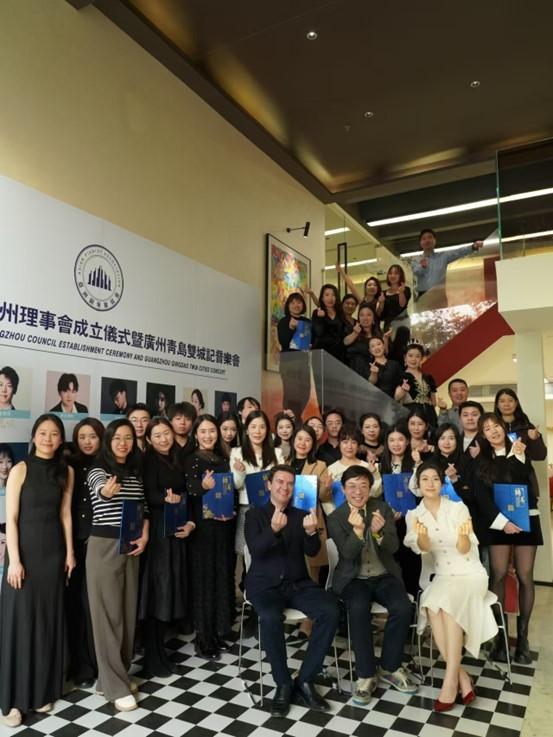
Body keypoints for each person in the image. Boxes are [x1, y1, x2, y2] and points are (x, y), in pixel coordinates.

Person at [244, 465, 339, 717]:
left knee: (330, 610)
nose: (284, 487)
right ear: (269, 485)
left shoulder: (301, 514)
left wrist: (311, 532)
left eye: (289, 483)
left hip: (297, 584)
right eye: (279, 482)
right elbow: (256, 551)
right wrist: (273, 530)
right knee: (270, 617)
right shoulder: (255, 515)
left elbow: (311, 552)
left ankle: (305, 680)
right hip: (264, 585)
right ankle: (283, 683)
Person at [0, 414, 75, 728]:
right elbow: (12, 518)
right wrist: (15, 561)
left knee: (47, 622)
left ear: (60, 439)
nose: (48, 438)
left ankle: (43, 690)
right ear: (33, 436)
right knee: (20, 624)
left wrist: (70, 552)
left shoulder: (66, 471)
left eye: (54, 433)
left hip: (53, 555)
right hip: (25, 555)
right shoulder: (21, 469)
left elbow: (65, 514)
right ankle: (12, 702)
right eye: (42, 433)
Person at [405, 461, 498, 712]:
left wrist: (463, 536)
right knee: (432, 607)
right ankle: (462, 677)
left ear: (442, 482)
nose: (430, 483)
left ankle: (449, 683)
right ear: (418, 484)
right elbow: (422, 548)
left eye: (435, 478)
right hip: (443, 576)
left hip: (469, 573)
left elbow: (465, 549)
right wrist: (422, 536)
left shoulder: (457, 508)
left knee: (445, 606)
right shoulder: (413, 515)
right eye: (425, 479)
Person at [327, 465, 416, 705]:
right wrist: (358, 532)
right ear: (343, 490)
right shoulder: (335, 517)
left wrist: (379, 534)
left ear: (370, 488)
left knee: (403, 608)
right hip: (353, 578)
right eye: (352, 486)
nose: (358, 492)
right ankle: (365, 675)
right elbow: (347, 554)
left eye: (363, 486)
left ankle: (390, 667)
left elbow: (394, 548)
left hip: (383, 575)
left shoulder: (382, 508)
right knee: (358, 608)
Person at [86, 419, 149, 712]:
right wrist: (106, 493)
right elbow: (101, 490)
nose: (123, 443)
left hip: (131, 545)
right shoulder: (98, 470)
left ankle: (113, 676)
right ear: (108, 441)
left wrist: (145, 535)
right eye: (117, 438)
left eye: (128, 438)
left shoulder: (134, 473)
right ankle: (114, 686)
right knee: (107, 616)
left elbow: (144, 508)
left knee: (125, 613)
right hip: (104, 547)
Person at [474, 412, 543, 665]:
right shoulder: (481, 461)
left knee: (525, 575)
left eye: (496, 426)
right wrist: (503, 523)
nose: (493, 431)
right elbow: (481, 497)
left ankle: (522, 640)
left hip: (526, 519)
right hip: (498, 523)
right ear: (483, 435)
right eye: (487, 429)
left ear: (504, 427)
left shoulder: (519, 451)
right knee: (499, 574)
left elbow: (525, 485)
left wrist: (520, 456)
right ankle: (501, 639)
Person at [140, 418, 195, 676]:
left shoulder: (177, 458)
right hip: (158, 533)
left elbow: (187, 494)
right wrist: (165, 498)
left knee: (170, 589)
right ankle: (152, 655)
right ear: (148, 439)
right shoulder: (147, 461)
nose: (164, 439)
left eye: (166, 434)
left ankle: (159, 650)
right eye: (157, 435)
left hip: (176, 530)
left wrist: (190, 522)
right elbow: (147, 494)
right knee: (157, 592)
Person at [184, 415, 236, 660]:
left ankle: (216, 633)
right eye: (203, 431)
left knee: (220, 579)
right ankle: (203, 640)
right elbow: (189, 490)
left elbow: (228, 490)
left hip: (223, 526)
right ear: (195, 434)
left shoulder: (222, 458)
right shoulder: (192, 459)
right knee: (204, 582)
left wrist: (231, 509)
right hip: (202, 530)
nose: (208, 436)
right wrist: (202, 486)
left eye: (212, 431)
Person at [66, 418, 105, 688]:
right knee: (77, 604)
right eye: (82, 436)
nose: (87, 441)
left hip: (102, 542)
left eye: (92, 436)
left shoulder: (108, 465)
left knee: (97, 605)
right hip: (75, 543)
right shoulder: (69, 465)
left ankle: (100, 663)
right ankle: (81, 666)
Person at [230, 410, 284, 560]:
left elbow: (283, 480)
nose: (257, 431)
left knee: (272, 549)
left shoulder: (277, 453)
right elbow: (236, 485)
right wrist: (240, 472)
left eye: (262, 427)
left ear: (267, 430)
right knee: (247, 551)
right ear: (247, 430)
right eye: (253, 427)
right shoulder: (237, 453)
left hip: (272, 508)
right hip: (247, 507)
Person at [411, 228, 483, 300]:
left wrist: (473, 247)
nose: (427, 240)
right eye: (424, 239)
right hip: (423, 295)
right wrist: (423, 266)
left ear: (434, 241)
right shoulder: (416, 259)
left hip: (440, 294)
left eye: (430, 237)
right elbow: (416, 272)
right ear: (420, 243)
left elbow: (458, 252)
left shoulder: (443, 256)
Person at [327, 425, 382, 510]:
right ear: (339, 444)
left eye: (353, 442)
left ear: (358, 445)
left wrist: (374, 473)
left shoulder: (367, 466)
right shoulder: (331, 469)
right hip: (339, 515)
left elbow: (376, 493)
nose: (349, 446)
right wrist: (334, 515)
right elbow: (327, 500)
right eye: (345, 442)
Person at [277, 292, 312, 420]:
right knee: (291, 394)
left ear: (303, 305)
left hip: (304, 361)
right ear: (288, 305)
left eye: (299, 302)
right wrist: (291, 328)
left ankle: (297, 418)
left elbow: (313, 339)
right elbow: (283, 342)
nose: (296, 305)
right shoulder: (284, 321)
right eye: (292, 302)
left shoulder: (307, 322)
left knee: (305, 392)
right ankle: (289, 420)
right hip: (289, 362)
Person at [395, 342, 437, 426]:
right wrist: (403, 389)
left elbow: (434, 402)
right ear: (405, 358)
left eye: (417, 356)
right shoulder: (402, 376)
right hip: (412, 414)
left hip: (429, 414)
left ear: (421, 359)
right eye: (410, 356)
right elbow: (396, 397)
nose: (413, 359)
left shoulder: (428, 377)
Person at [344, 303, 383, 379]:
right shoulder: (353, 330)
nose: (365, 318)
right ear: (358, 318)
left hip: (375, 371)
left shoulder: (379, 333)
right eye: (362, 315)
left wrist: (385, 339)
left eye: (369, 315)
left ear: (373, 318)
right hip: (355, 373)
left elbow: (385, 352)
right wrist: (355, 333)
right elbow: (345, 342)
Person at [311, 283, 346, 362]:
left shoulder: (340, 313)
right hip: (321, 355)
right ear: (322, 298)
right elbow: (319, 332)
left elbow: (343, 334)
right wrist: (320, 318)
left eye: (333, 295)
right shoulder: (317, 312)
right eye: (327, 295)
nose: (330, 298)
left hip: (338, 354)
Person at [381, 265, 411, 334]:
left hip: (402, 325)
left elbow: (402, 305)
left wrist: (401, 292)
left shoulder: (406, 290)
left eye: (396, 273)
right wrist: (380, 303)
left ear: (400, 275)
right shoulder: (383, 293)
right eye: (390, 273)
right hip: (388, 325)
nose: (392, 276)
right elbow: (381, 313)